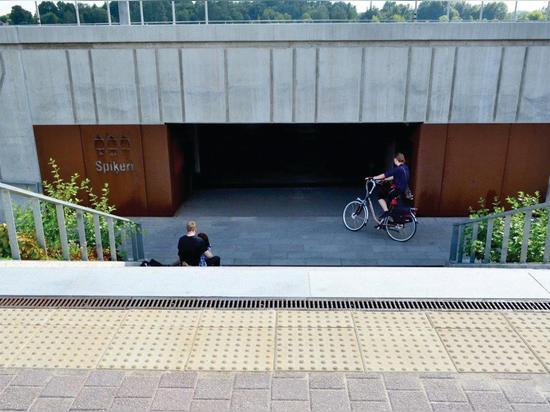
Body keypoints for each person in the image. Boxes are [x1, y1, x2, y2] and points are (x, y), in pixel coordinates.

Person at [367, 152, 410, 220]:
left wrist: (373, 177)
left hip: (397, 190)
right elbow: (394, 176)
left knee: (380, 195)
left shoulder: (397, 169)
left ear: (396, 159)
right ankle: (387, 218)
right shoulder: (405, 167)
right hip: (402, 190)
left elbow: (384, 174)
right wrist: (385, 179)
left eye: (394, 160)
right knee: (389, 201)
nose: (394, 161)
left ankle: (386, 212)